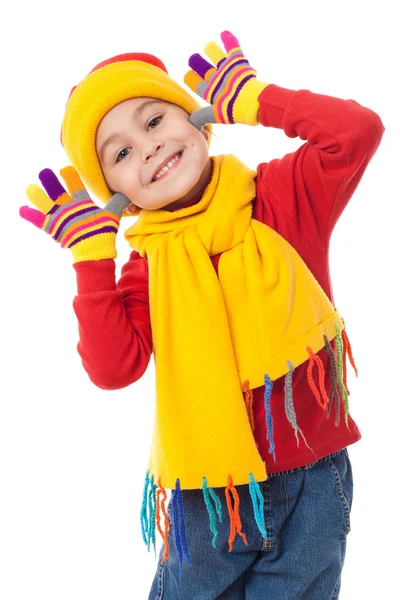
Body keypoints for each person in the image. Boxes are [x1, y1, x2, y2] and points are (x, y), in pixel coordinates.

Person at [20, 31, 384, 599]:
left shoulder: (280, 197)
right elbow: (113, 369)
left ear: (196, 117)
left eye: (154, 120)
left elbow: (357, 134)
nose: (146, 147)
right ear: (115, 192)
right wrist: (92, 258)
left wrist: (256, 98)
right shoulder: (146, 268)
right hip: (209, 496)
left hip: (313, 481)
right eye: (118, 153)